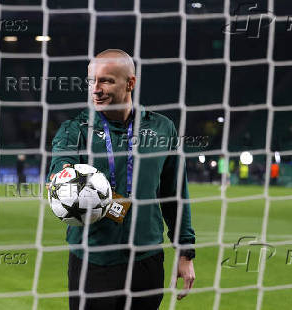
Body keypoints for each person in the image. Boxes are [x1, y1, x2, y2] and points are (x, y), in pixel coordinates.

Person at [46, 49, 196, 310]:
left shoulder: (161, 128)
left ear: (130, 83)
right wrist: (64, 179)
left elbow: (175, 195)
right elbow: (60, 175)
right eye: (92, 81)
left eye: (106, 81)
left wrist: (185, 253)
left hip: (146, 261)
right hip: (93, 261)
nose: (96, 89)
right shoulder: (74, 130)